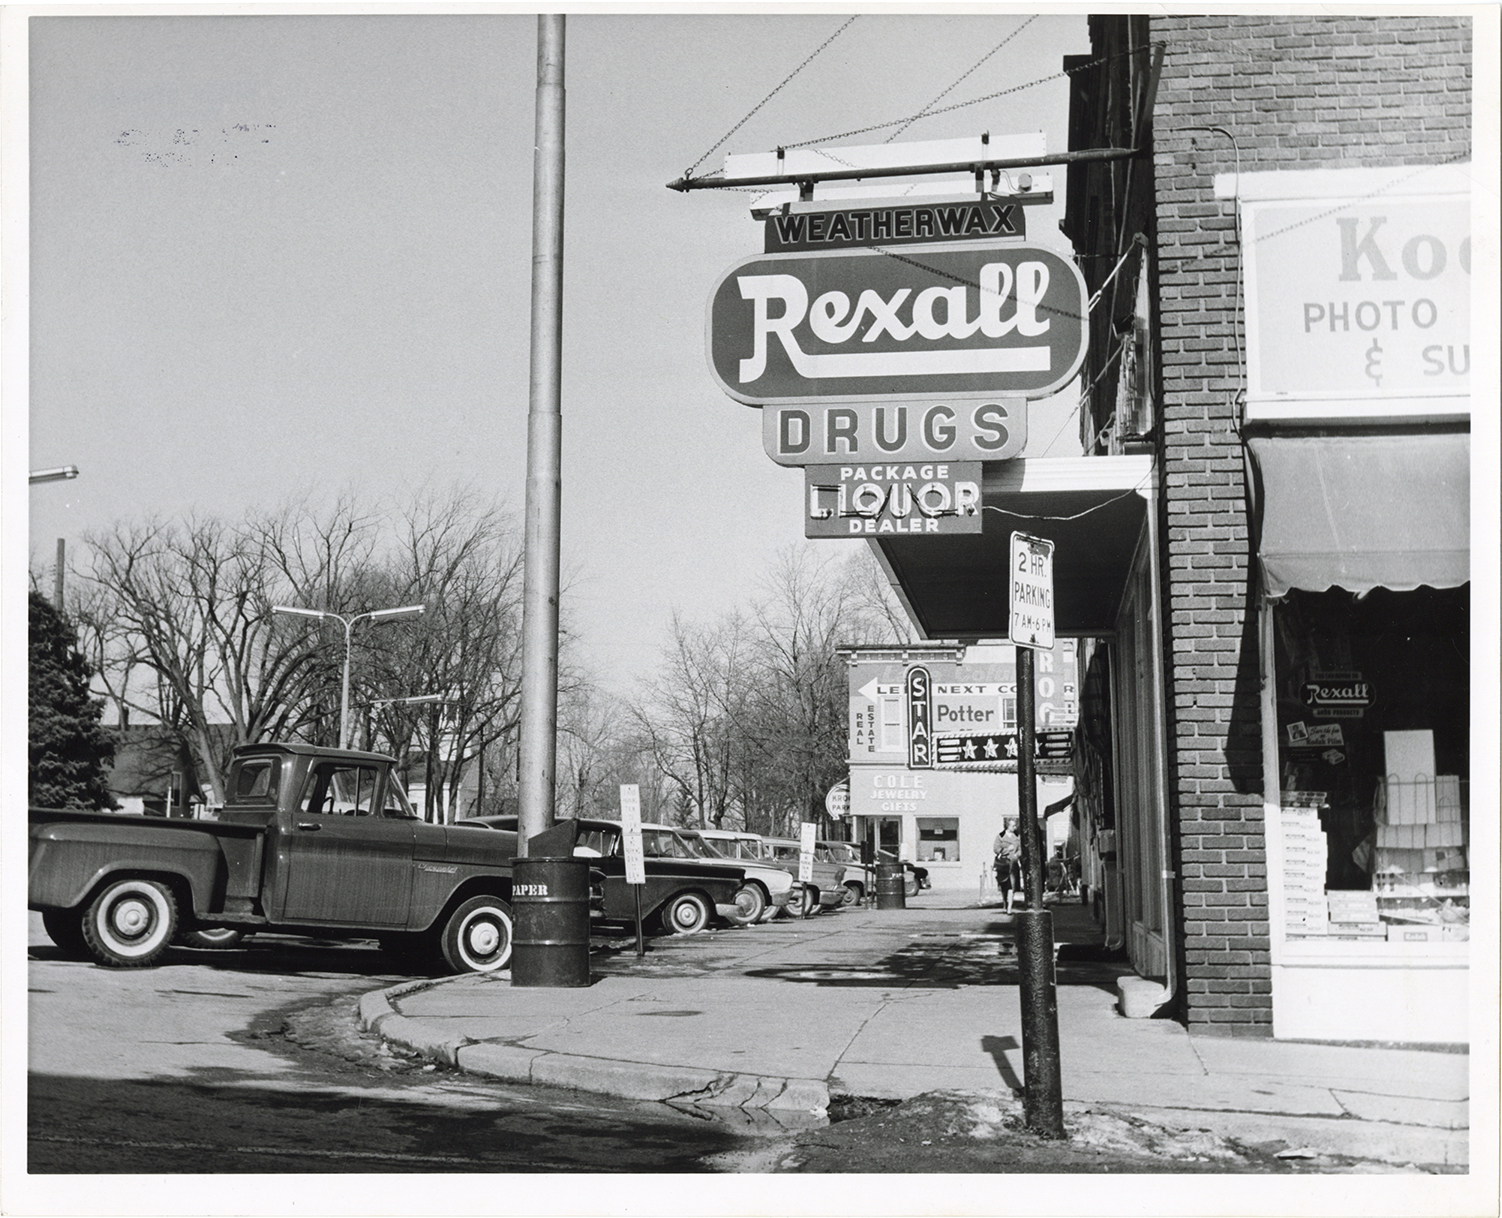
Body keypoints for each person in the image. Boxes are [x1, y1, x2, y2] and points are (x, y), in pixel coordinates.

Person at [993, 820, 1022, 908]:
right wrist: (1007, 850)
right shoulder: (1000, 836)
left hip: (1013, 863)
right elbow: (996, 849)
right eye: (1013, 826)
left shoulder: (1017, 836)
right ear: (1007, 826)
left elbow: (1021, 849)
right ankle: (1005, 902)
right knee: (1004, 885)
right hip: (1004, 864)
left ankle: (1010, 907)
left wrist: (1017, 855)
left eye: (1015, 826)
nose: (1015, 828)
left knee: (1012, 886)